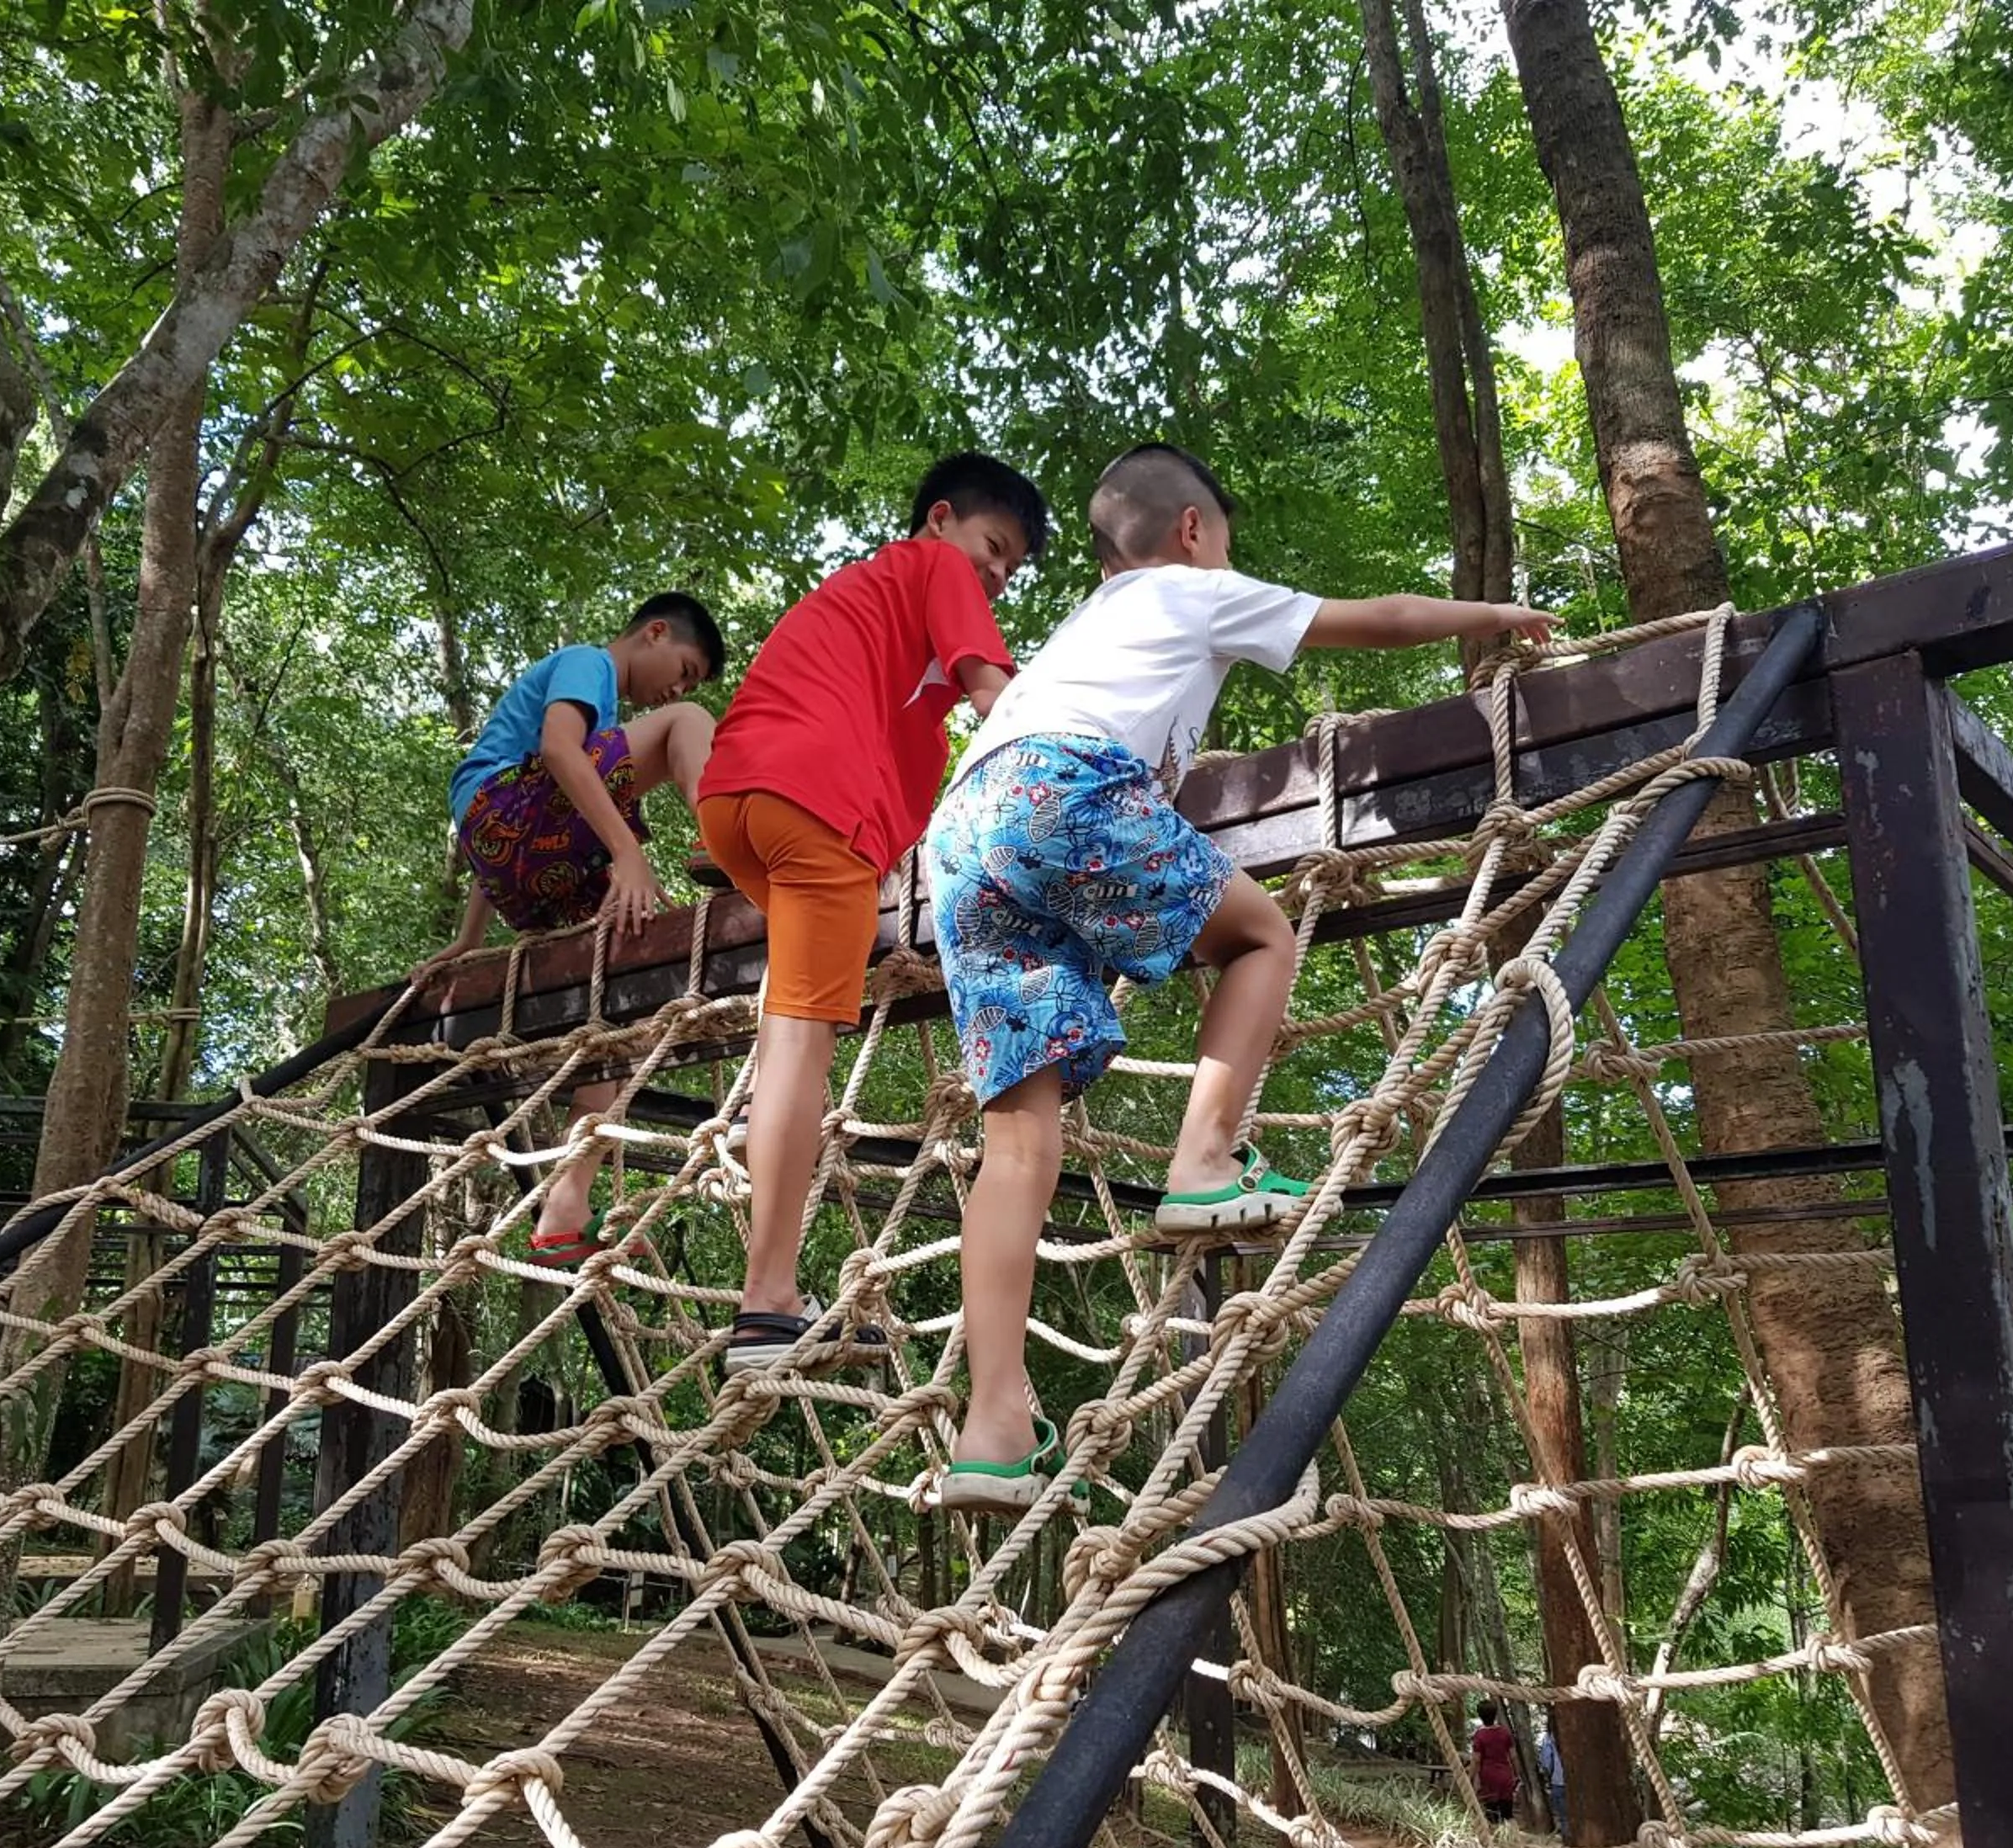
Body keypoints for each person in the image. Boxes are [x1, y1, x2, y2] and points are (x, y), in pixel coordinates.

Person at [925, 443, 1557, 1510]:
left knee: (1017, 1139)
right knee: (1260, 936)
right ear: (1190, 533)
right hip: (1061, 790)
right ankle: (1205, 1163)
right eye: (1225, 539)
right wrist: (1497, 618)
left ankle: (992, 1428)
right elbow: (1382, 615)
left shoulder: (1080, 632)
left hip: (962, 834)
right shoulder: (1191, 588)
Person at [695, 452, 1049, 1373]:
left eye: (1011, 570)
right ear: (940, 520)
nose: (996, 576)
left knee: (793, 1016)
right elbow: (995, 699)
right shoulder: (932, 567)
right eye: (994, 548)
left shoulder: (868, 609)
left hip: (738, 803)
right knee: (808, 1040)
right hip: (813, 806)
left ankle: (761, 1200)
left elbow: (921, 754)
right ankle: (769, 1303)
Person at [413, 592, 725, 1261]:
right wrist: (629, 852)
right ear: (655, 633)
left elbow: (503, 844)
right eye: (684, 667)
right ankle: (723, 838)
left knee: (625, 983)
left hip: (524, 854)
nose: (676, 684)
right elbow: (556, 752)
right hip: (512, 817)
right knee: (686, 724)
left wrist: (470, 939)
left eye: (688, 679)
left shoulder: (600, 727)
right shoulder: (588, 664)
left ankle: (565, 1205)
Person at [1472, 1698, 1518, 1825]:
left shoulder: (1479, 1736)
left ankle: (1495, 1839)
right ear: (1496, 1714)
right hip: (1505, 1775)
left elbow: (1476, 1760)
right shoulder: (1505, 1733)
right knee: (1507, 1812)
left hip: (1488, 1777)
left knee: (1491, 1812)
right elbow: (1513, 1756)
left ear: (1480, 1716)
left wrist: (1471, 1777)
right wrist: (1516, 1774)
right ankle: (1511, 1838)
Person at [1535, 1715, 1568, 1839]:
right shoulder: (1574, 1736)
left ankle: (1569, 1846)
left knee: (1565, 1818)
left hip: (1558, 1782)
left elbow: (1546, 1763)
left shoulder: (1549, 1739)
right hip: (1578, 1784)